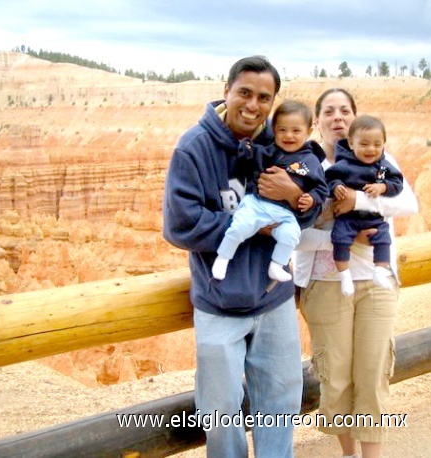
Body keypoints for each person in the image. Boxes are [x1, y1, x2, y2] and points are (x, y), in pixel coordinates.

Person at [257, 88, 418, 458]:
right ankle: (348, 453)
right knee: (337, 376)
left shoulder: (376, 154)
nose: (338, 117)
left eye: (345, 110)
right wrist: (342, 238)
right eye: (329, 111)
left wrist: (358, 201)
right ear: (317, 121)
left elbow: (408, 203)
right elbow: (291, 235)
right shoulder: (303, 164)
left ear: (355, 116)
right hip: (325, 285)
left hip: (377, 284)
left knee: (374, 373)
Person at [162, 56, 303, 458]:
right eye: (244, 92)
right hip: (219, 304)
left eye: (264, 97)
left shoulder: (280, 146)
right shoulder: (194, 148)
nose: (253, 105)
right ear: (226, 91)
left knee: (280, 404)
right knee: (220, 410)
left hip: (274, 298)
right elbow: (180, 224)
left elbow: (311, 206)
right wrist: (253, 226)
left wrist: (294, 196)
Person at [212, 99, 329, 283]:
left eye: (296, 130)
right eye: (282, 130)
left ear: (309, 131)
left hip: (286, 214)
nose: (288, 135)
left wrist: (311, 198)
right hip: (258, 203)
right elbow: (251, 159)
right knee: (240, 226)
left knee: (291, 235)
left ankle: (277, 265)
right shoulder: (270, 151)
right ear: (274, 130)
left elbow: (322, 188)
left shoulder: (312, 161)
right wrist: (245, 149)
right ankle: (223, 257)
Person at [325, 115, 403, 296]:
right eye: (364, 144)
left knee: (384, 240)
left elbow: (397, 184)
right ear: (351, 144)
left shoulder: (384, 167)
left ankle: (380, 271)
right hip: (348, 218)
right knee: (340, 239)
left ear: (384, 143)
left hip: (374, 220)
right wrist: (336, 186)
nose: (371, 149)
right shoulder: (343, 165)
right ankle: (345, 275)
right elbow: (329, 179)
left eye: (377, 144)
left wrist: (383, 186)